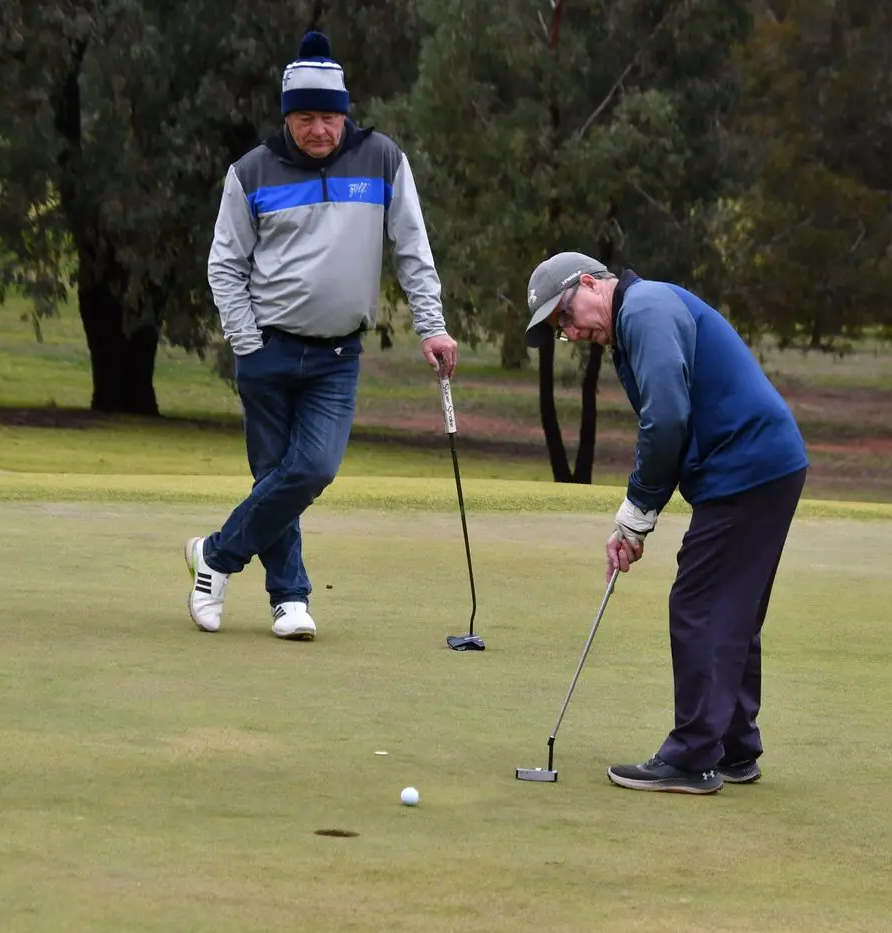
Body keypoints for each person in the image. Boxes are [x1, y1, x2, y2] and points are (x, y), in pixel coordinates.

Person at [186, 30, 458, 640]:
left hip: (337, 354)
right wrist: (245, 341)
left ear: (346, 114)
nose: (318, 130)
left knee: (311, 468)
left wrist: (432, 327)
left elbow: (412, 249)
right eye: (305, 118)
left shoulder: (383, 159)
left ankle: (214, 556)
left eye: (329, 117)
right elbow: (225, 264)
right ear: (288, 118)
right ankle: (290, 599)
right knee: (273, 475)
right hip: (267, 347)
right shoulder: (250, 172)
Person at [523, 252, 808, 794]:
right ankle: (733, 747)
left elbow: (667, 420)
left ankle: (695, 755)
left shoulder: (644, 310)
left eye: (565, 314)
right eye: (560, 329)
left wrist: (635, 514)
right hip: (762, 465)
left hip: (747, 466)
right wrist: (637, 519)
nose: (570, 331)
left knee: (699, 604)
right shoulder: (638, 320)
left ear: (589, 282)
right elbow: (672, 423)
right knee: (733, 608)